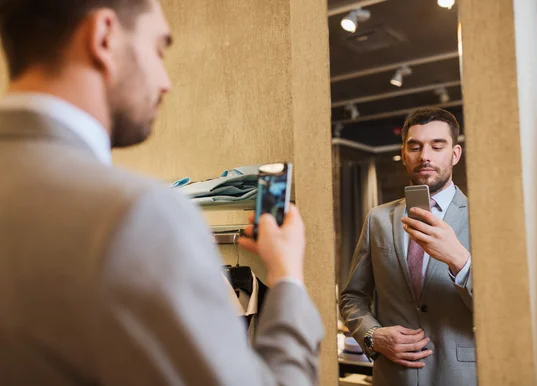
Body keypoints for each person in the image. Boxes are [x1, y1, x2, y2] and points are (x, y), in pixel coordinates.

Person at [0, 1, 322, 385]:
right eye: (158, 49)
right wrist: (287, 275)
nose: (165, 81)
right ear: (104, 37)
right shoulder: (138, 215)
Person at [339, 108, 476, 386]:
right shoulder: (377, 218)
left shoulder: (482, 217)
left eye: (437, 146)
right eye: (415, 147)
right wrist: (373, 336)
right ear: (403, 154)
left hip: (459, 376)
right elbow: (352, 297)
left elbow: (504, 308)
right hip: (393, 377)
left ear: (455, 154)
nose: (425, 155)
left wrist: (460, 261)